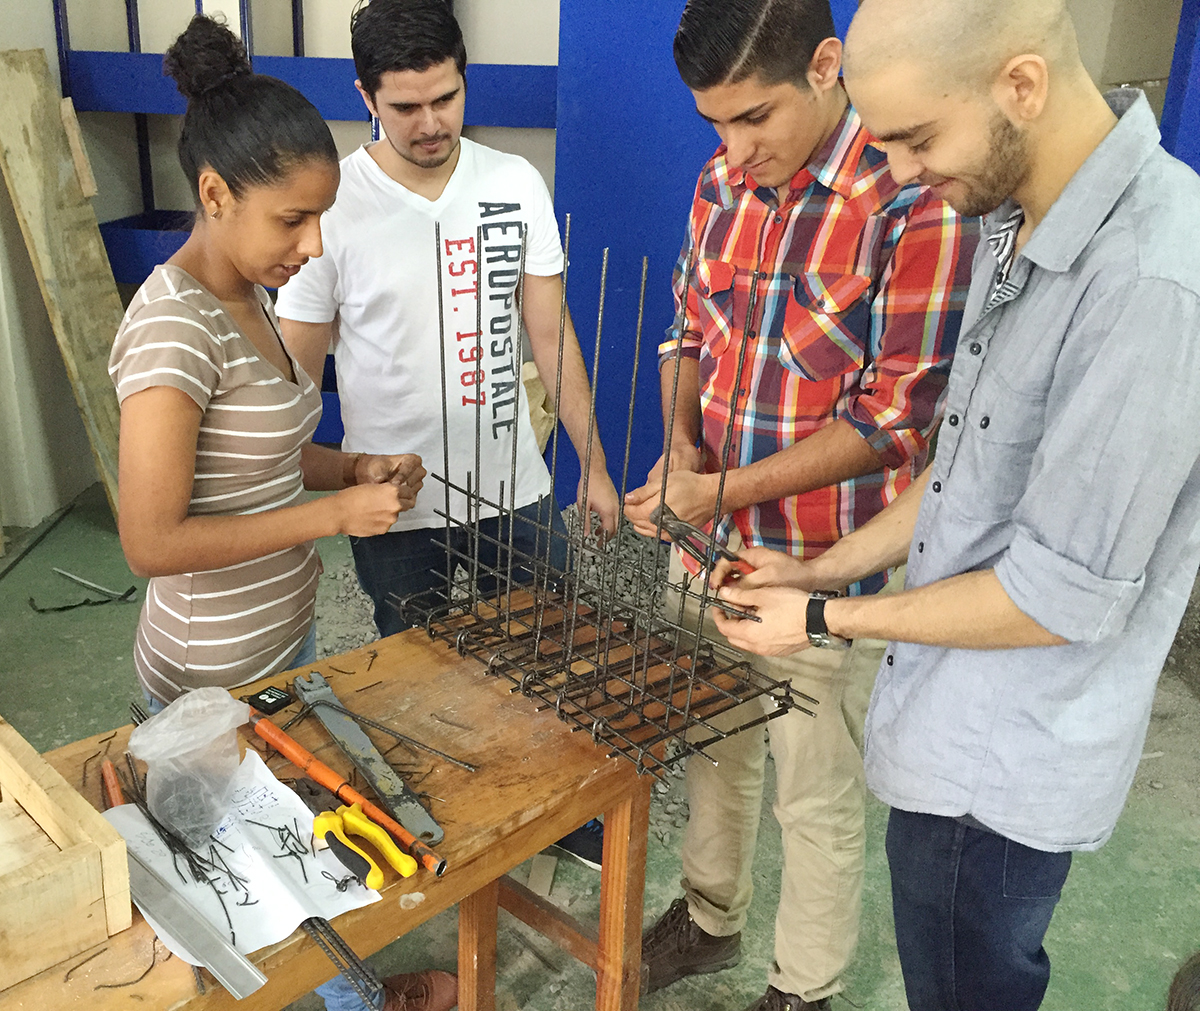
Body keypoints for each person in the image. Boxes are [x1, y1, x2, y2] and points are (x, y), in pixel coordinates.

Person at [710, 2, 1200, 1009]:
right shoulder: (1015, 217)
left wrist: (818, 619)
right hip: (944, 727)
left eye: (916, 140)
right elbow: (964, 465)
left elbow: (1057, 598)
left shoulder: (1150, 281)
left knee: (972, 982)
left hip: (1008, 774)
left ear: (1019, 85)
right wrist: (819, 567)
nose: (896, 175)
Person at [620, 2, 975, 1008]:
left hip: (827, 557)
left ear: (828, 66)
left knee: (812, 795)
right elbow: (690, 326)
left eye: (755, 118)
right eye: (714, 125)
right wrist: (684, 443)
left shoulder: (910, 198)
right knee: (712, 748)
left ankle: (804, 986)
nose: (734, 149)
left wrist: (718, 487)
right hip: (711, 535)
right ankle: (708, 916)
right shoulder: (722, 181)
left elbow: (897, 417)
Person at [109, 16, 454, 1011]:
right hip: (202, 674)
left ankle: (348, 994)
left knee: (300, 844)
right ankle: (355, 1007)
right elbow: (150, 538)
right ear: (214, 195)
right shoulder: (172, 328)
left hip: (275, 639)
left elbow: (259, 456)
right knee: (267, 881)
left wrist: (352, 464)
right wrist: (331, 517)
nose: (312, 246)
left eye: (322, 220)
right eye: (291, 221)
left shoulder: (252, 294)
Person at [277, 0, 621, 645]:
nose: (432, 123)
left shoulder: (515, 183)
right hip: (394, 507)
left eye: (447, 97)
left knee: (548, 659)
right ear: (366, 96)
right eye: (406, 108)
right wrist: (294, 501)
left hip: (516, 490)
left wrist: (594, 465)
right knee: (421, 686)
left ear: (464, 78)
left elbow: (551, 336)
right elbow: (290, 373)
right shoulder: (332, 205)